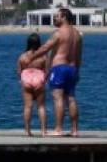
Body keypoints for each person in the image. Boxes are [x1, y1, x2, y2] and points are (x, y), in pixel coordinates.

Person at [28, 8, 83, 137]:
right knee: (71, 98)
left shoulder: (58, 33)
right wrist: (77, 71)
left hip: (59, 68)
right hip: (73, 69)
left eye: (57, 16)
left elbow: (45, 48)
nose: (54, 19)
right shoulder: (77, 34)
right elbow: (79, 55)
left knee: (58, 98)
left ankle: (58, 129)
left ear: (64, 17)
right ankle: (74, 130)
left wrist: (32, 57)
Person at [17, 33, 49, 137]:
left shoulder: (22, 56)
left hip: (26, 79)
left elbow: (19, 72)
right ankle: (43, 131)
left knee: (28, 106)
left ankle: (27, 131)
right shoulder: (43, 56)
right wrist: (43, 81)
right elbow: (47, 71)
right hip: (39, 79)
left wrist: (22, 81)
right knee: (41, 106)